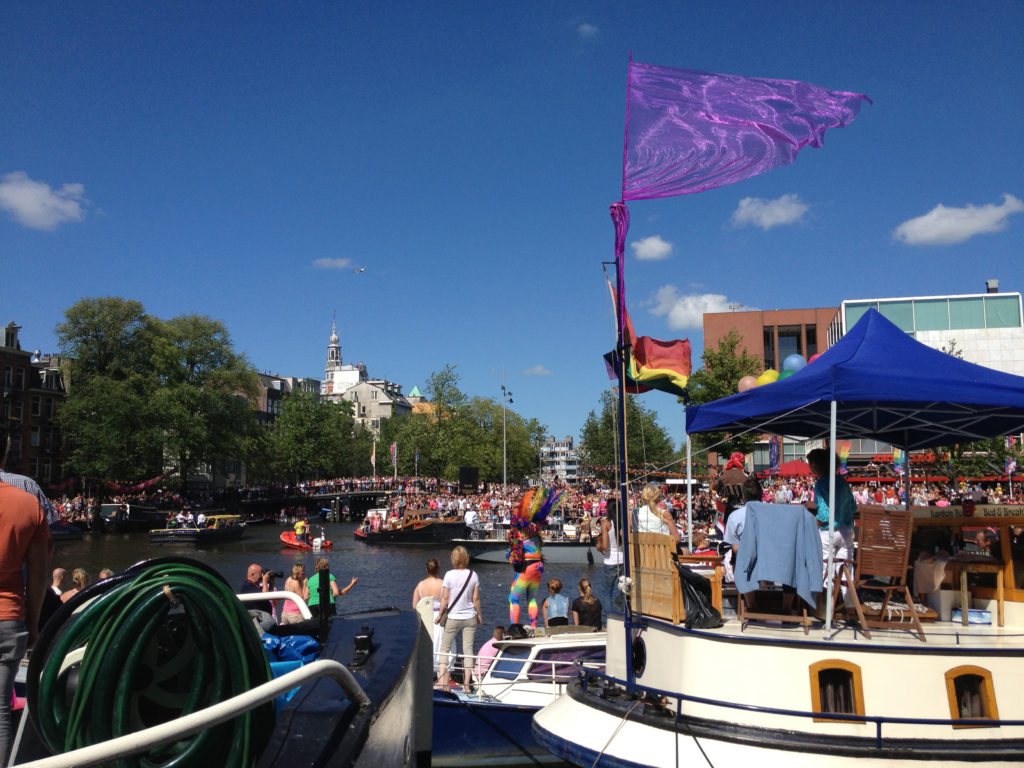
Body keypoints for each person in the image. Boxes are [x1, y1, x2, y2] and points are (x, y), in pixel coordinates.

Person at [0, 426, 51, 764]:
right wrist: (32, 624)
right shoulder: (29, 503)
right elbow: (38, 577)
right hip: (8, 617)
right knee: (1, 711)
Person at [507, 486, 566, 627]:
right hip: (538, 567)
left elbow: (515, 553)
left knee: (513, 598)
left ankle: (514, 628)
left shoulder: (519, 532)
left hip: (527, 567)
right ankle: (533, 626)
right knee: (531, 597)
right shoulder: (535, 533)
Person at [805, 448, 857, 605]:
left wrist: (817, 521)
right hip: (846, 531)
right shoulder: (842, 482)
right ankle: (850, 607)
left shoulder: (821, 484)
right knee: (846, 571)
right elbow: (853, 507)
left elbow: (825, 512)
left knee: (824, 570)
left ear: (815, 464)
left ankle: (826, 607)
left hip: (828, 532)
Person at [436, 545, 481, 689]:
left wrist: (439, 615)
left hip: (453, 617)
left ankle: (443, 684)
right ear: (466, 558)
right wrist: (479, 614)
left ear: (453, 559)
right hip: (470, 617)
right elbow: (476, 598)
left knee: (444, 649)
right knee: (468, 650)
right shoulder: (473, 575)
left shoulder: (449, 575)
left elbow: (444, 598)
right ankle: (467, 685)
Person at [411, 558, 444, 675]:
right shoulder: (443, 584)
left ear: (426, 570)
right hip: (439, 619)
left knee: (426, 647)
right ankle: (442, 679)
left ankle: (425, 675)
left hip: (425, 618)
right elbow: (448, 603)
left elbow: (414, 606)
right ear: (438, 569)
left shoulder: (420, 586)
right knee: (442, 648)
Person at [597, 493, 624, 617]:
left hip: (610, 561)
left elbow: (605, 546)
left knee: (607, 592)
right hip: (623, 560)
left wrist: (599, 548)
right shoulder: (623, 522)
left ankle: (609, 620)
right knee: (624, 589)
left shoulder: (606, 523)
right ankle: (622, 611)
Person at [712, 452, 749, 524]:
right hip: (744, 508)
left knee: (728, 530)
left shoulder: (723, 474)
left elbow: (714, 486)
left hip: (730, 508)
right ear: (742, 461)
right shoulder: (746, 474)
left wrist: (721, 492)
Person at [240, 563, 277, 631]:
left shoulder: (254, 585)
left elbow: (269, 596)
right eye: (260, 573)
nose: (262, 576)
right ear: (252, 574)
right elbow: (264, 596)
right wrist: (264, 581)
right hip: (258, 625)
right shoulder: (248, 586)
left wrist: (271, 584)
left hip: (264, 620)